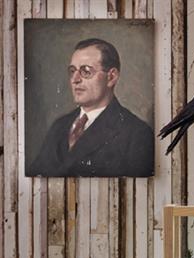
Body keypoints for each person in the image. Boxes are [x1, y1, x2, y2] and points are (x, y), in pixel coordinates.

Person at [28, 38, 153, 177]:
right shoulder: (59, 126)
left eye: (86, 71)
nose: (75, 79)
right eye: (72, 71)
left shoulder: (137, 134)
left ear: (111, 77)